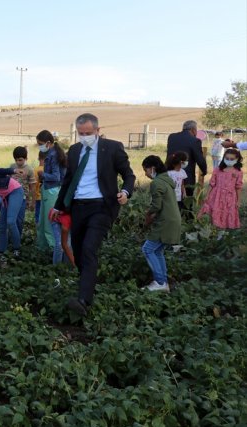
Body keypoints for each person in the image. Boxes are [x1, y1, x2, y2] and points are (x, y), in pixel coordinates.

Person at [51, 113, 136, 316]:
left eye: (88, 133)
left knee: (89, 248)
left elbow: (129, 175)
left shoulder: (113, 148)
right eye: (81, 133)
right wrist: (58, 206)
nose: (84, 136)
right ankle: (86, 281)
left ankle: (84, 300)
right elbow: (69, 181)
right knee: (79, 250)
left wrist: (125, 192)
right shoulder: (74, 151)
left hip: (102, 207)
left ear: (97, 130)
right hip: (79, 206)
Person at [140, 156, 181, 293]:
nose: (145, 173)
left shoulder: (157, 183)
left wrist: (148, 213)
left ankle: (160, 282)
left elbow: (156, 206)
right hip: (173, 220)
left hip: (165, 221)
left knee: (148, 249)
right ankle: (163, 282)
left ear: (152, 168)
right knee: (157, 250)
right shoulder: (167, 180)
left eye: (145, 169)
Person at [35, 130, 67, 254]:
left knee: (49, 224)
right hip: (48, 189)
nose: (39, 146)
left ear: (48, 143)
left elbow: (56, 177)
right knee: (42, 222)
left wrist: (43, 175)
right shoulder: (52, 153)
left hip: (52, 191)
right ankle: (42, 248)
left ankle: (54, 250)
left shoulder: (53, 156)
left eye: (40, 144)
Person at [166, 120, 207, 218]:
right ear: (193, 130)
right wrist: (204, 170)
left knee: (171, 197)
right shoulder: (195, 140)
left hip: (169, 172)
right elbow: (199, 158)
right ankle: (187, 218)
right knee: (187, 198)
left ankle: (172, 215)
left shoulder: (172, 137)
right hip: (186, 174)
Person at [197, 148, 243, 233]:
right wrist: (207, 195)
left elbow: (238, 187)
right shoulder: (218, 170)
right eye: (227, 158)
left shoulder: (238, 172)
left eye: (232, 159)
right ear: (223, 158)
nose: (229, 160)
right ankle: (212, 231)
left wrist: (238, 200)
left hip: (230, 197)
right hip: (216, 195)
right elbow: (212, 184)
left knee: (226, 212)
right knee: (214, 210)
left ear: (237, 159)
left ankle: (223, 233)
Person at [0, 146, 36, 238]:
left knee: (19, 220)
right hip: (10, 196)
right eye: (16, 160)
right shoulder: (12, 167)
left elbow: (32, 187)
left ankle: (17, 238)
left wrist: (32, 201)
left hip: (22, 198)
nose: (18, 162)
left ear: (26, 158)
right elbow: (6, 180)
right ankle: (10, 235)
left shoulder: (29, 169)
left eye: (20, 160)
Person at [34, 151, 46, 222]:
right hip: (47, 196)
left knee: (38, 214)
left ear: (38, 158)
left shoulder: (36, 170)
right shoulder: (48, 169)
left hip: (38, 197)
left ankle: (38, 229)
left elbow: (34, 184)